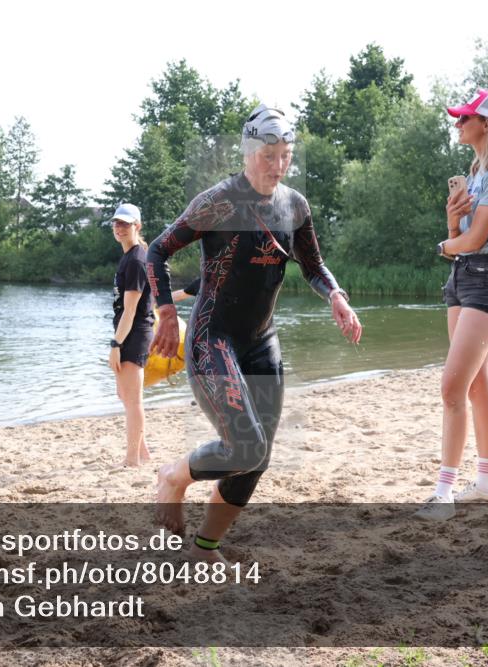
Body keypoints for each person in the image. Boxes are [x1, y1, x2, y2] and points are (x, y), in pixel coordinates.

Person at [147, 104, 362, 560]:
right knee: (243, 444)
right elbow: (156, 252)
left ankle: (206, 546)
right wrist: (166, 312)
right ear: (247, 152)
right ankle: (172, 477)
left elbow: (313, 265)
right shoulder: (218, 202)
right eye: (268, 155)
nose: (277, 165)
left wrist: (337, 296)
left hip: (262, 342)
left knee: (256, 457)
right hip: (212, 338)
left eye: (285, 155)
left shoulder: (294, 204)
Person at [416, 89, 488, 521]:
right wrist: (451, 221)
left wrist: (445, 244)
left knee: (452, 388)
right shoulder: (478, 171)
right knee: (476, 386)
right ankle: (486, 482)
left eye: (465, 118)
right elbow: (463, 233)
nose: (457, 124)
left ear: (487, 124)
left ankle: (443, 493)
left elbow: (476, 240)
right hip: (464, 277)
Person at [109, 203, 155, 467]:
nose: (119, 228)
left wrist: (116, 344)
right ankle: (144, 452)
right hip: (129, 332)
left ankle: (131, 459)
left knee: (132, 399)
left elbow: (130, 309)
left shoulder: (137, 259)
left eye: (125, 224)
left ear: (137, 226)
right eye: (116, 223)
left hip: (134, 334)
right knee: (124, 395)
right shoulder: (129, 256)